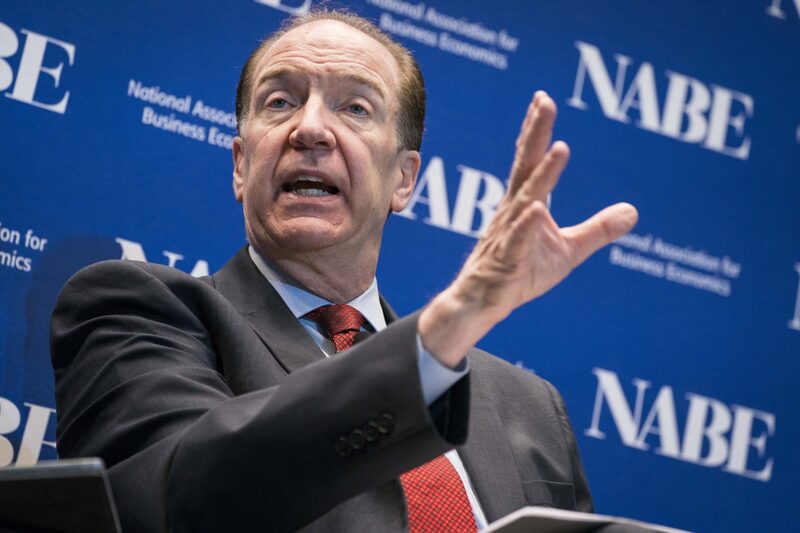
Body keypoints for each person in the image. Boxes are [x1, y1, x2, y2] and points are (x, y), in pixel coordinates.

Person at [50, 9, 638, 533]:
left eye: (355, 108)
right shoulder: (137, 309)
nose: (309, 129)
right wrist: (453, 321)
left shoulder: (532, 407)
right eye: (279, 102)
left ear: (404, 179)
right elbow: (176, 503)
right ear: (240, 163)